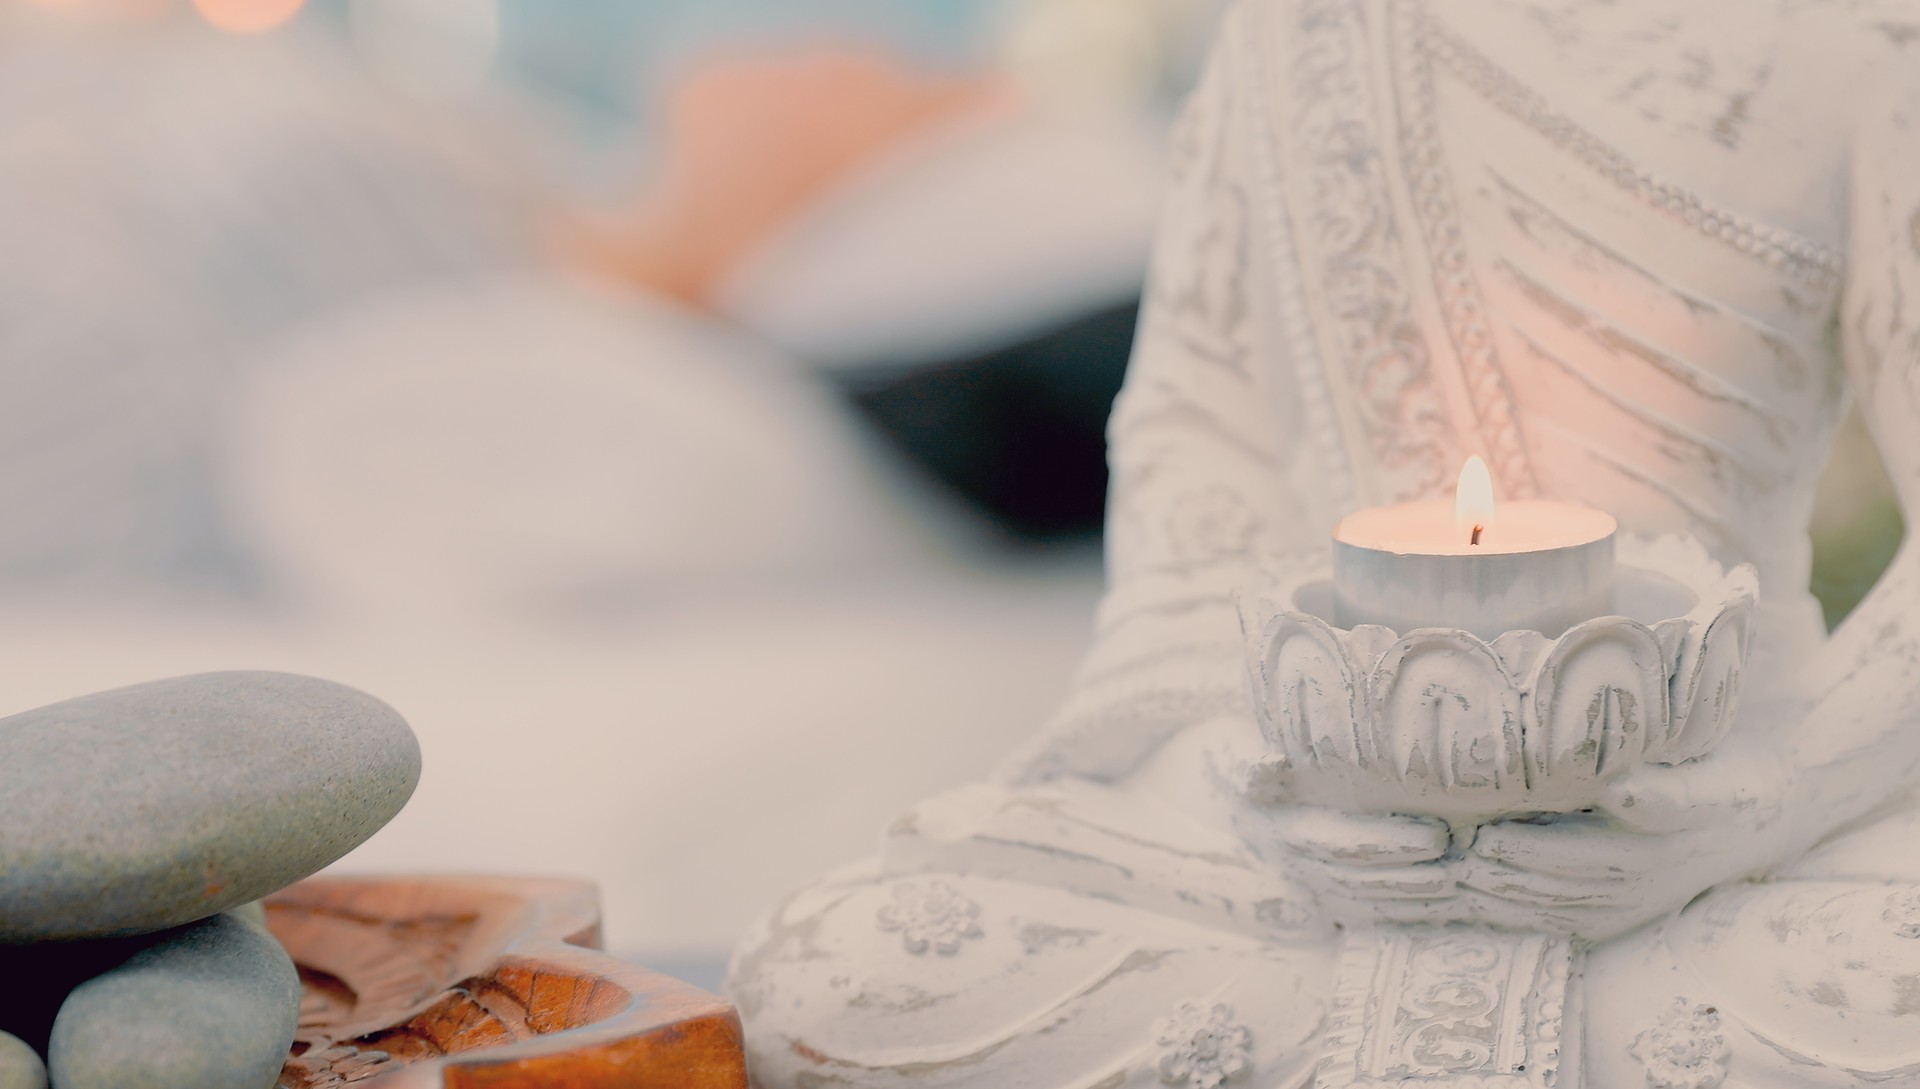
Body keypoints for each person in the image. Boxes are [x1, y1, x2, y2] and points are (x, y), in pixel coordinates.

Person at [727, 1, 1920, 1084]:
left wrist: (1764, 805)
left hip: (1731, 778)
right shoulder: (1304, 28)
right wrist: (1258, 777)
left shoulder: (1864, 40)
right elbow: (1199, 444)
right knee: (832, 970)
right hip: (1314, 813)